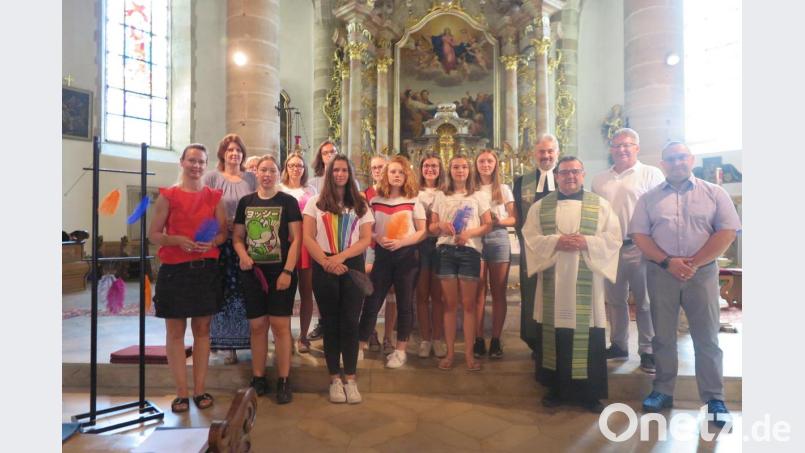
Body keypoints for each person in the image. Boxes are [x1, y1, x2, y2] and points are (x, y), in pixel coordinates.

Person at [630, 141, 740, 427]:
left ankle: (714, 397)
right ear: (663, 164)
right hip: (661, 273)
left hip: (701, 274)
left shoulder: (714, 193)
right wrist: (668, 262)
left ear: (690, 159)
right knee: (663, 337)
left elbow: (727, 231)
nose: (677, 162)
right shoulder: (648, 198)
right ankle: (663, 390)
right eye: (670, 159)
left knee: (707, 338)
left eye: (682, 157)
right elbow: (641, 236)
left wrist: (694, 263)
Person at [521, 156, 622, 412]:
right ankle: (556, 390)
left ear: (583, 174)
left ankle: (590, 394)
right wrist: (556, 241)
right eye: (564, 173)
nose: (570, 177)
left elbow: (613, 238)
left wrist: (587, 242)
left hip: (587, 280)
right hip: (553, 281)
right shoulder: (540, 207)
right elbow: (530, 237)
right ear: (557, 176)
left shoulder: (599, 205)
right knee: (554, 333)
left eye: (575, 172)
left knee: (587, 332)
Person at [149, 143, 227, 413]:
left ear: (206, 166)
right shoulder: (167, 196)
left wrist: (213, 242)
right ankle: (181, 393)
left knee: (203, 332)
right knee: (175, 333)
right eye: (191, 160)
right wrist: (175, 240)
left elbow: (223, 234)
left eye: (201, 162)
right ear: (181, 162)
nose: (196, 166)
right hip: (175, 271)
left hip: (205, 270)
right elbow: (154, 234)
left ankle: (200, 390)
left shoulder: (214, 196)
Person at [591, 128, 665, 373]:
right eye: (617, 145)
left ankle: (647, 350)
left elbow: (660, 210)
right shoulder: (600, 179)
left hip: (640, 247)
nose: (621, 149)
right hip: (610, 248)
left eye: (627, 145)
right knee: (615, 301)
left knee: (644, 302)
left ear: (637, 148)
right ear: (611, 149)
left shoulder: (650, 174)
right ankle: (619, 344)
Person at [302, 155, 374, 404]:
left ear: (350, 174)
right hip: (324, 265)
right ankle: (334, 378)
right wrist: (325, 262)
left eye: (344, 170)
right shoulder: (315, 202)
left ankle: (351, 379)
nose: (340, 174)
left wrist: (340, 258)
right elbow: (308, 237)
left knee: (350, 323)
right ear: (329, 173)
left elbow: (365, 239)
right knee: (330, 323)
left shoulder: (360, 203)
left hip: (351, 264)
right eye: (336, 170)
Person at [232, 154, 301, 404]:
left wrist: (287, 272)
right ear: (256, 173)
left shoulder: (288, 202)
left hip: (280, 273)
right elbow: (237, 237)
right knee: (257, 326)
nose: (267, 174)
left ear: (278, 173)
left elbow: (296, 240)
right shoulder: (246, 202)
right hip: (253, 273)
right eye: (263, 170)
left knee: (281, 328)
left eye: (272, 170)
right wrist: (242, 255)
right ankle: (258, 377)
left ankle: (284, 379)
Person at [358, 156, 427, 368]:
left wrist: (402, 243)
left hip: (407, 257)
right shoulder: (376, 200)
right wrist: (378, 238)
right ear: (386, 175)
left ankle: (400, 350)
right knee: (372, 301)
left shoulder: (414, 199)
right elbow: (369, 229)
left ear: (406, 176)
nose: (396, 175)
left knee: (405, 303)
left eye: (400, 172)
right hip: (383, 256)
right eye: (393, 172)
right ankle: (359, 347)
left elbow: (422, 231)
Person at [429, 154, 492, 371]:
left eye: (464, 167)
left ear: (469, 170)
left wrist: (469, 233)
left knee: (468, 305)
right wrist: (441, 226)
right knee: (449, 305)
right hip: (446, 251)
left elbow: (488, 224)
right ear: (450, 170)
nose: (460, 171)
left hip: (470, 252)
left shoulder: (479, 195)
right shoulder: (440, 195)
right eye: (456, 167)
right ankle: (449, 354)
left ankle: (468, 355)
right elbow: (431, 226)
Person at [203, 134, 257, 365]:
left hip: (247, 242)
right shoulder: (212, 177)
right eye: (230, 150)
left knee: (247, 292)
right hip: (223, 243)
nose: (234, 154)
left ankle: (250, 340)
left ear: (243, 154)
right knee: (224, 291)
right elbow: (204, 209)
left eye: (238, 150)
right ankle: (225, 345)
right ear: (223, 154)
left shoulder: (251, 178)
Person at [513, 133, 558, 356]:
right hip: (530, 248)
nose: (546, 155)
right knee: (532, 292)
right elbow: (518, 217)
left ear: (556, 153)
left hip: (560, 248)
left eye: (550, 151)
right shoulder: (522, 182)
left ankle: (557, 339)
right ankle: (535, 340)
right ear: (534, 154)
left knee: (558, 292)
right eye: (542, 151)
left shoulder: (566, 177)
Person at [472, 149, 516, 359]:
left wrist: (497, 220)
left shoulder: (504, 188)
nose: (486, 165)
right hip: (477, 239)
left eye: (490, 161)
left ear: (496, 164)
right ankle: (478, 339)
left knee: (498, 292)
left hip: (498, 237)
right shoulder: (471, 188)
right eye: (482, 161)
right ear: (476, 164)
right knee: (478, 292)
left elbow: (514, 219)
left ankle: (496, 339)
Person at [278, 152, 318, 354]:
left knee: (306, 291)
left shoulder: (310, 190)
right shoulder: (279, 189)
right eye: (292, 165)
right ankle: (283, 335)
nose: (296, 169)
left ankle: (303, 335)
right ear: (286, 168)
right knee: (282, 291)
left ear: (304, 169)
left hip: (306, 243)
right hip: (285, 243)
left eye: (299, 166)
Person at [305, 139, 339, 342]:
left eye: (333, 151)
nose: (330, 155)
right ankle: (322, 322)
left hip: (340, 237)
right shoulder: (313, 183)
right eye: (326, 152)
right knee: (321, 286)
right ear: (320, 156)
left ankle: (337, 326)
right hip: (318, 237)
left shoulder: (346, 178)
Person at [363, 154, 397, 355]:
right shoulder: (364, 194)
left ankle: (388, 337)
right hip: (371, 247)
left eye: (382, 167)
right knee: (370, 290)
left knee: (392, 293)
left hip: (392, 247)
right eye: (374, 167)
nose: (378, 170)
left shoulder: (395, 193)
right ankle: (370, 331)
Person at [415, 153, 447, 359]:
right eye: (426, 166)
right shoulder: (414, 192)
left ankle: (437, 338)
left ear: (440, 169)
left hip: (441, 245)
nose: (430, 169)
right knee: (421, 294)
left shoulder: (446, 191)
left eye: (434, 166)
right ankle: (425, 339)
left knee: (438, 295)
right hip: (419, 244)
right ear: (421, 169)